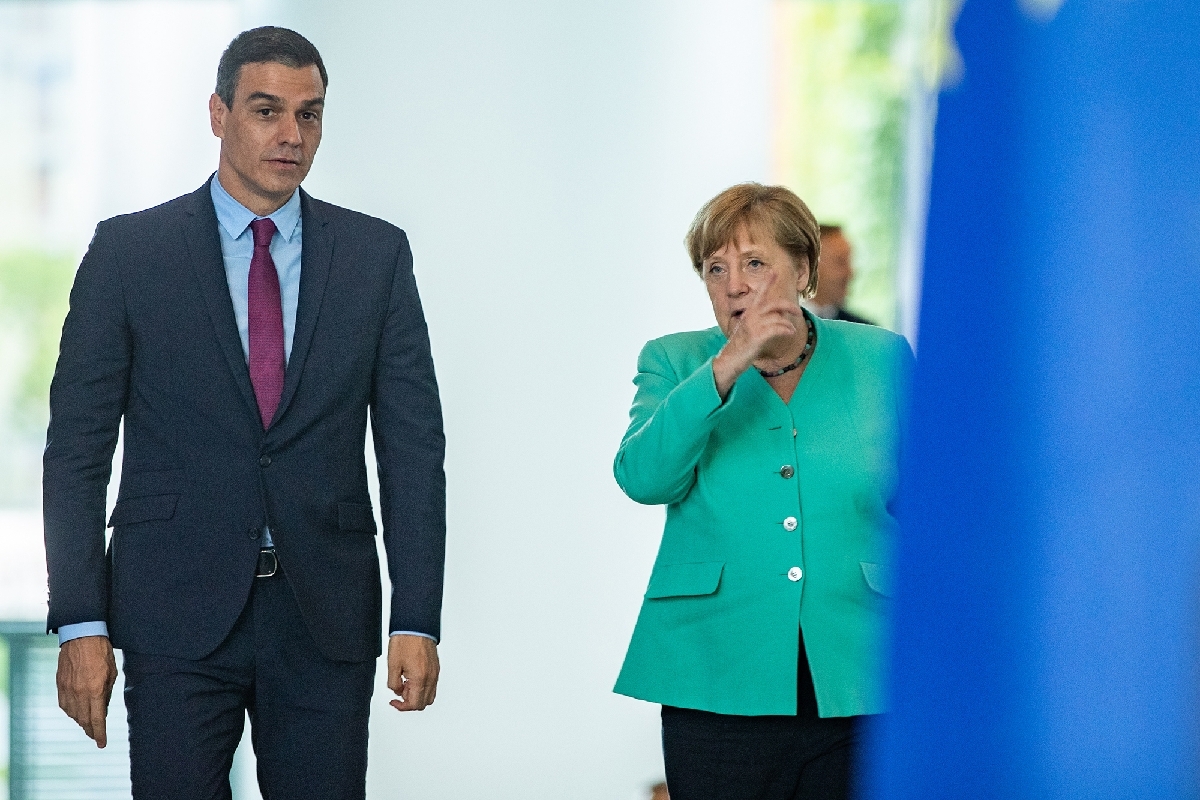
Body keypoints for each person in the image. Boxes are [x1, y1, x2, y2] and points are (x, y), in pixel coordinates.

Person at [43, 27, 446, 800]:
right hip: (171, 612)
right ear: (218, 114)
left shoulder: (376, 256)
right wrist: (83, 623)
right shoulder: (131, 254)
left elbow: (412, 450)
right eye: (267, 111)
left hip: (323, 613)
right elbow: (76, 452)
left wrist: (417, 617)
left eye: (310, 114)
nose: (291, 136)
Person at [612, 184, 912, 800]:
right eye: (715, 269)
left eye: (755, 263)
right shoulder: (674, 361)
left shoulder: (882, 357)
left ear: (803, 270)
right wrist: (728, 364)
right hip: (715, 672)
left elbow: (933, 502)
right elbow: (643, 477)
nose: (735, 284)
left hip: (862, 669)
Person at [803, 223, 874, 325]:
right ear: (808, 267)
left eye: (849, 261)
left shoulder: (864, 332)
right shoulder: (779, 329)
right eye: (840, 262)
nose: (850, 272)